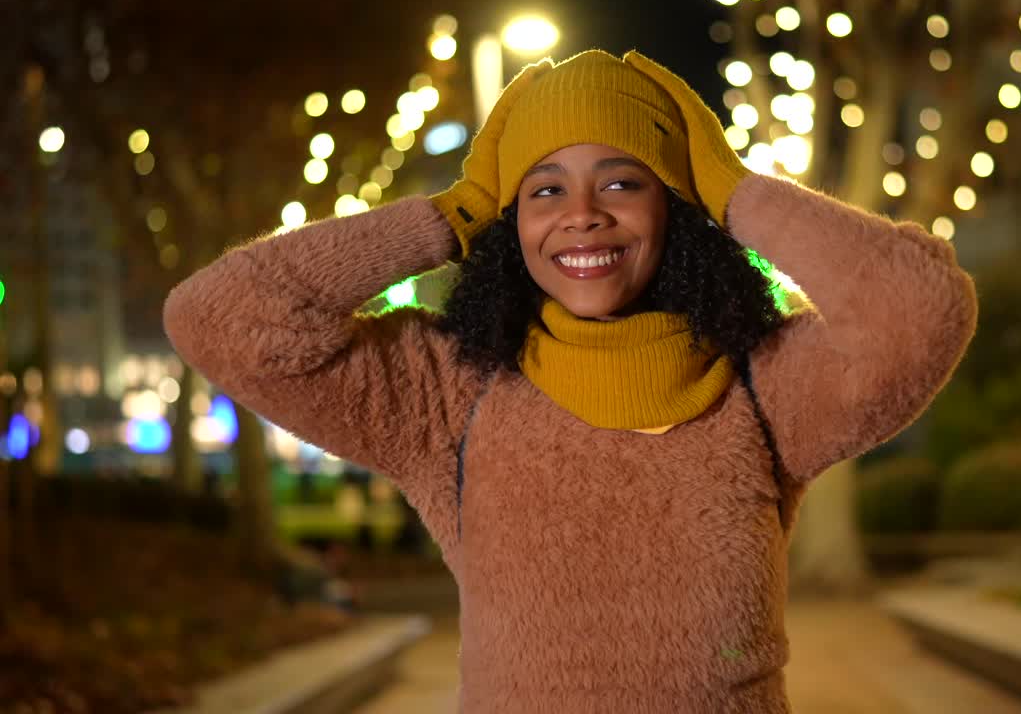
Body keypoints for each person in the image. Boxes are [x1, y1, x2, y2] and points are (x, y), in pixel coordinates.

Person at [164, 49, 978, 713]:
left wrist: (734, 191)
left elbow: (923, 312)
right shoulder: (448, 391)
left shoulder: (760, 382)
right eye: (543, 189)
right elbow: (217, 318)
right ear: (508, 220)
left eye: (623, 181)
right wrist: (450, 213)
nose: (581, 213)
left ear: (675, 206)